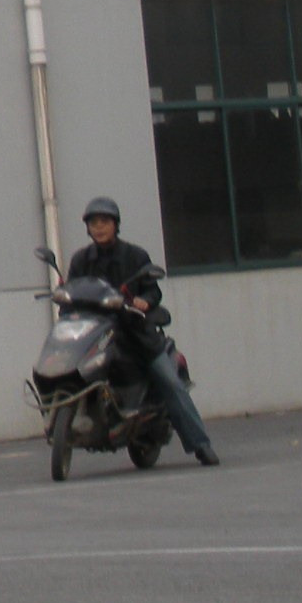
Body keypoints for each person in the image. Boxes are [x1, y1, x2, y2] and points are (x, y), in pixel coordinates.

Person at [68, 197, 218, 466]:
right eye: (93, 223)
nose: (99, 227)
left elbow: (152, 290)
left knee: (169, 382)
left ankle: (200, 444)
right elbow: (72, 292)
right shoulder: (81, 260)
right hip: (97, 335)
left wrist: (144, 301)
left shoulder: (135, 256)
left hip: (136, 335)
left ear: (116, 225)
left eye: (104, 222)